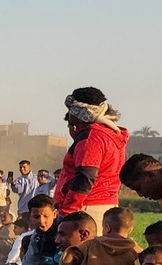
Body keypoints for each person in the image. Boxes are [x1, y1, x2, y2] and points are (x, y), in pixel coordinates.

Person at [54, 88, 127, 216]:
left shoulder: (91, 139)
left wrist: (67, 211)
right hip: (106, 205)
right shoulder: (111, 134)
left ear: (78, 115)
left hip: (86, 207)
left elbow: (85, 178)